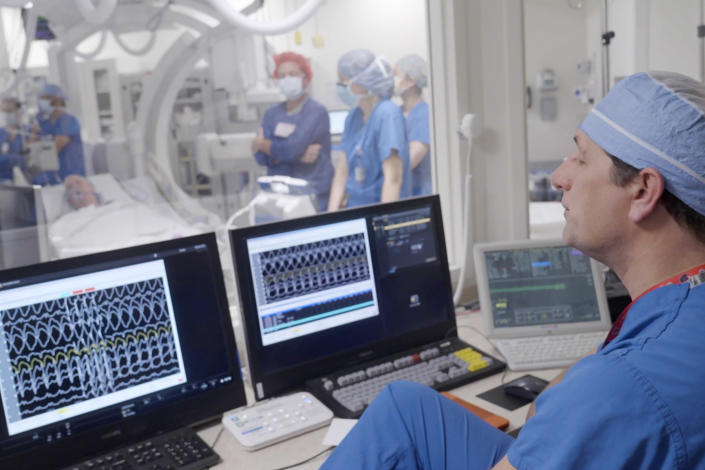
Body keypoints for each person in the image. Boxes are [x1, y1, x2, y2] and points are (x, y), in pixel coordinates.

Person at [321, 71, 705, 469]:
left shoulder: (616, 385)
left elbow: (563, 405)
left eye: (581, 158)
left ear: (643, 191)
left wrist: (569, 407)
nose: (560, 177)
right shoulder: (676, 305)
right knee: (406, 406)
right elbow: (543, 411)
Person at [328, 49, 410, 210]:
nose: (340, 87)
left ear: (363, 82)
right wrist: (331, 215)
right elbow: (342, 172)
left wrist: (386, 225)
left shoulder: (387, 114)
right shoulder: (353, 117)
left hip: (380, 209)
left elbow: (393, 179)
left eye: (344, 81)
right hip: (355, 207)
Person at [251, 51, 333, 212]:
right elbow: (261, 158)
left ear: (306, 78)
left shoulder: (316, 111)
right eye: (282, 76)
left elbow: (292, 148)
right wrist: (298, 157)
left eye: (293, 74)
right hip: (280, 195)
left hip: (312, 193)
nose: (287, 79)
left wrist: (262, 144)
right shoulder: (272, 113)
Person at [29, 83, 86, 185]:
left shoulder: (68, 121)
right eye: (41, 98)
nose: (43, 102)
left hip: (70, 177)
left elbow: (53, 150)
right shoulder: (43, 124)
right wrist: (34, 130)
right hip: (49, 179)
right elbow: (30, 147)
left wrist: (34, 159)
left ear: (58, 100)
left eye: (47, 98)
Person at [395, 54, 431, 196]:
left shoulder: (423, 114)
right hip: (399, 188)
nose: (392, 81)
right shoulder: (397, 112)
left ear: (411, 81)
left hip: (417, 191)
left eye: (396, 75)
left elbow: (413, 157)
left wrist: (385, 174)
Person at [0, 97, 25, 180]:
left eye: (9, 111)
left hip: (27, 183)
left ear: (19, 112)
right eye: (4, 111)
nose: (6, 114)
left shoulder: (28, 133)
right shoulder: (2, 133)